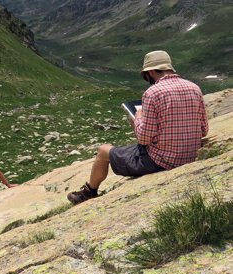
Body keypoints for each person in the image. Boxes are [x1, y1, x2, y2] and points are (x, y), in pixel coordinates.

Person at [67, 50, 209, 204]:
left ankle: (89, 193)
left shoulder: (152, 93)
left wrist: (137, 118)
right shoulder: (195, 88)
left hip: (161, 161)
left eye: (145, 74)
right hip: (190, 155)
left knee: (103, 151)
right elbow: (204, 129)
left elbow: (144, 138)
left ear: (152, 71)